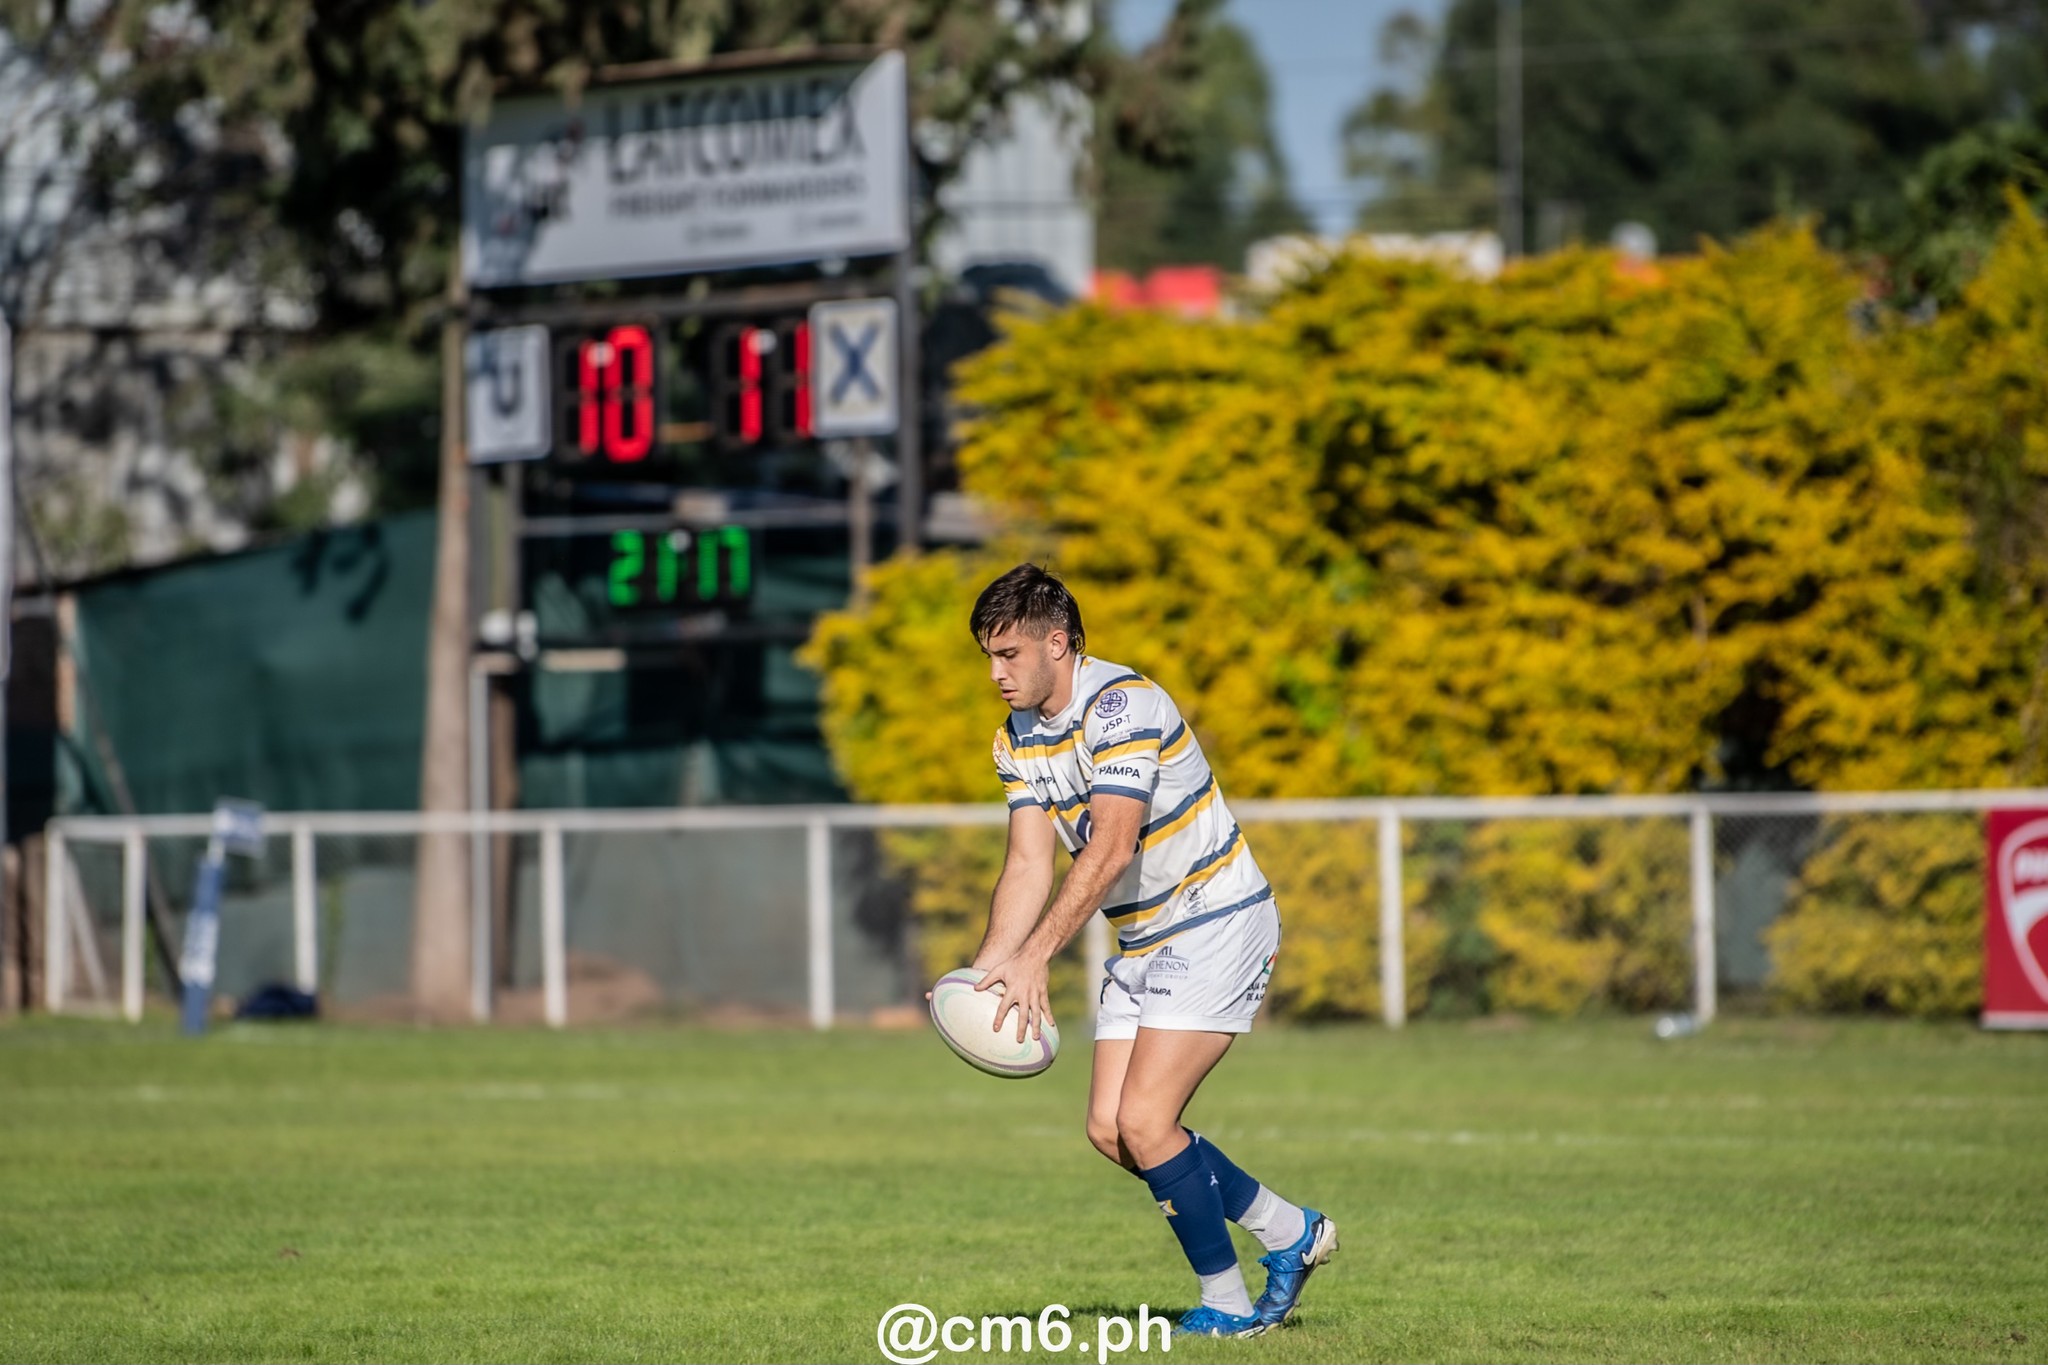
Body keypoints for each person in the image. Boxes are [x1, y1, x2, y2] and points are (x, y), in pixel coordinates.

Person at [965, 563, 1338, 1338]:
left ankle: (1230, 1306)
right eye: (989, 657)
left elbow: (1109, 846)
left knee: (1145, 1117)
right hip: (1144, 938)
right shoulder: (1017, 738)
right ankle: (1289, 1230)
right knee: (1111, 1129)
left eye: (1010, 655)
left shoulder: (1124, 705)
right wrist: (993, 966)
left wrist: (1039, 957)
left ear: (1058, 644)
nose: (996, 674)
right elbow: (1030, 862)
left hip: (1215, 917)